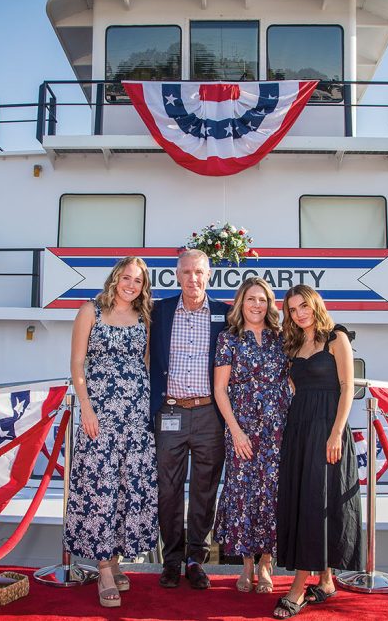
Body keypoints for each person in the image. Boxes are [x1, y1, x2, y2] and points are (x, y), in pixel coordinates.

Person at [64, 256, 157, 609]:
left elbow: (146, 363)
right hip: (99, 413)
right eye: (127, 278)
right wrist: (85, 406)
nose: (131, 285)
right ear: (116, 278)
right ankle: (103, 566)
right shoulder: (91, 310)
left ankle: (117, 559)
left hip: (135, 415)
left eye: (138, 280)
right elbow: (77, 362)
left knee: (125, 485)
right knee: (99, 485)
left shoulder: (143, 317)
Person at [273, 284, 363, 619]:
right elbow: (297, 388)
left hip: (328, 429)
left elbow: (347, 387)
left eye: (303, 306)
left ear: (315, 304)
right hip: (300, 428)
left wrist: (336, 432)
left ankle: (298, 586)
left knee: (319, 500)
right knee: (307, 498)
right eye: (292, 310)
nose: (298, 314)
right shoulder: (293, 343)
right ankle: (325, 581)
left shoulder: (337, 337)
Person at [149, 249, 230, 590]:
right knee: (167, 490)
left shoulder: (226, 314)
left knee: (204, 489)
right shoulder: (159, 311)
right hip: (170, 412)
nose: (192, 278)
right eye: (186, 272)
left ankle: (196, 558)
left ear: (208, 275)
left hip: (210, 413)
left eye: (198, 272)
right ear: (176, 275)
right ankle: (171, 560)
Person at [212, 277, 291, 594]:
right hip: (241, 427)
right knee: (243, 494)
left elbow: (292, 382)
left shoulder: (281, 338)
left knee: (272, 495)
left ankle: (266, 565)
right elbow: (220, 389)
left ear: (270, 304)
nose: (257, 305)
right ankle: (246, 566)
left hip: (277, 429)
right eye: (251, 299)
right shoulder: (227, 339)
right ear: (240, 303)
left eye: (262, 299)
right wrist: (235, 430)